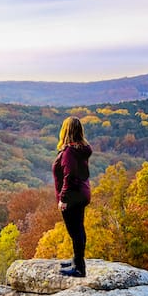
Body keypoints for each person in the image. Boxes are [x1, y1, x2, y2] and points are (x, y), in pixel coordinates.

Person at [53, 116, 92, 277]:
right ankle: (77, 260)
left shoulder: (69, 152)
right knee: (79, 229)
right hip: (82, 193)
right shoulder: (80, 150)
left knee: (75, 231)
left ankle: (79, 268)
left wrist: (63, 199)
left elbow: (69, 176)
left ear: (65, 131)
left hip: (73, 196)